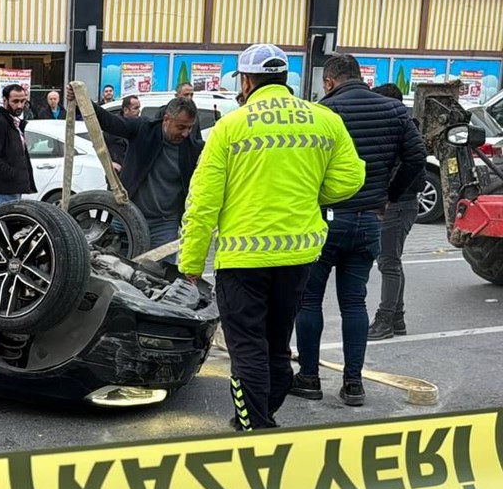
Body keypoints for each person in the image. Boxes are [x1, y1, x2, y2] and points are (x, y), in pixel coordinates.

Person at [178, 43, 366, 431]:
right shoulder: (324, 119)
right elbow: (351, 177)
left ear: (246, 82)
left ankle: (255, 428)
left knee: (247, 349)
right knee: (278, 345)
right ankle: (267, 417)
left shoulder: (231, 127)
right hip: (298, 255)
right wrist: (310, 193)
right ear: (285, 79)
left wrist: (191, 264)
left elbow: (202, 203)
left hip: (243, 260)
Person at [290, 53, 426, 406]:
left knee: (309, 301)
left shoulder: (322, 112)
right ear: (360, 76)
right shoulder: (394, 111)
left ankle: (309, 378)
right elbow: (416, 156)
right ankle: (353, 384)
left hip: (324, 219)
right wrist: (388, 195)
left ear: (330, 82)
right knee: (354, 302)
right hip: (369, 219)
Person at [65, 86, 204, 266]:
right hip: (127, 218)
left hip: (164, 226)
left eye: (190, 128)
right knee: (114, 270)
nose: (186, 133)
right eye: (181, 127)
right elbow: (109, 122)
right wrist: (81, 101)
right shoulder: (143, 129)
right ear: (166, 119)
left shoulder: (193, 148)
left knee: (160, 276)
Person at [368, 82, 424, 341]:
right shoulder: (403, 127)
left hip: (399, 203)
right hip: (400, 202)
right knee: (390, 261)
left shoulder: (403, 131)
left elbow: (413, 170)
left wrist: (389, 195)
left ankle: (385, 318)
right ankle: (396, 317)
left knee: (388, 262)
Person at [0, 83, 36, 205]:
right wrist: (14, 174)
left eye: (23, 101)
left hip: (12, 188)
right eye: (15, 101)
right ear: (5, 101)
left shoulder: (14, 123)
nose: (20, 105)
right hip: (2, 190)